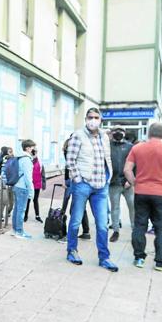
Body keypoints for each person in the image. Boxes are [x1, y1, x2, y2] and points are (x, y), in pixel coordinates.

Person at [124, 122, 162, 271]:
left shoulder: (137, 148)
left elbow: (127, 170)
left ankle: (139, 257)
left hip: (142, 192)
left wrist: (134, 183)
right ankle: (160, 262)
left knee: (139, 225)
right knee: (161, 228)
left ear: (148, 133)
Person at [65, 108, 118, 271]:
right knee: (75, 221)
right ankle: (72, 250)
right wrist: (78, 179)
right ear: (85, 119)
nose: (93, 120)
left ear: (101, 119)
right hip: (83, 185)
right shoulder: (78, 135)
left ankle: (104, 257)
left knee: (102, 225)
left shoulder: (104, 136)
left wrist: (108, 178)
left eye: (96, 117)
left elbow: (107, 158)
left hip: (101, 186)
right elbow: (70, 159)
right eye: (90, 117)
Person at [60, 136, 90, 242]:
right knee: (78, 207)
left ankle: (66, 233)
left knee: (71, 207)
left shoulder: (72, 148)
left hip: (75, 181)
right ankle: (85, 231)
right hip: (74, 180)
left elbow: (69, 167)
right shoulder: (78, 148)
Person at [108, 126, 134, 242]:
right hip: (113, 183)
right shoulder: (107, 146)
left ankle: (135, 230)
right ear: (111, 133)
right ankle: (115, 231)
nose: (118, 133)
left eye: (121, 131)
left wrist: (131, 180)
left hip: (128, 183)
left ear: (124, 133)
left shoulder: (130, 147)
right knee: (115, 208)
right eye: (115, 131)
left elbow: (136, 164)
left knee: (133, 206)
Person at [10, 139, 36, 238]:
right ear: (28, 148)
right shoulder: (26, 159)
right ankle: (19, 232)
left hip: (16, 185)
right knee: (21, 210)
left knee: (16, 209)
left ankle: (15, 230)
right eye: (33, 147)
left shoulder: (19, 157)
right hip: (22, 187)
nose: (34, 149)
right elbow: (28, 178)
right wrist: (31, 191)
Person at [24, 147, 46, 223]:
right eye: (33, 151)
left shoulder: (40, 161)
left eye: (35, 151)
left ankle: (37, 216)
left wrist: (43, 184)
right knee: (28, 200)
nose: (34, 153)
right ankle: (25, 215)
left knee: (35, 200)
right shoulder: (28, 160)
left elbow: (43, 173)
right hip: (29, 184)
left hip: (37, 184)